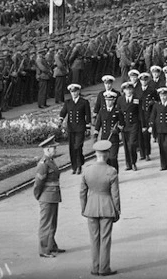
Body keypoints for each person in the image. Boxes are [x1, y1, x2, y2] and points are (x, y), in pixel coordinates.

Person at [80, 140, 121, 277]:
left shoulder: (86, 170)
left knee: (94, 239)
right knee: (105, 239)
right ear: (107, 154)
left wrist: (83, 208)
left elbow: (82, 192)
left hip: (91, 207)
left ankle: (95, 266)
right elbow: (115, 194)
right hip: (106, 207)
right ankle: (104, 268)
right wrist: (117, 211)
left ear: (96, 154)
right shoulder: (111, 171)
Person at [33, 135, 65, 258]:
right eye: (53, 148)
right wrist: (38, 195)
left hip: (53, 196)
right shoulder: (43, 164)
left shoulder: (50, 161)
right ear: (47, 149)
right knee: (46, 224)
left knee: (52, 223)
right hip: (46, 196)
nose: (55, 150)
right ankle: (44, 250)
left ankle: (51, 246)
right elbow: (38, 183)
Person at [58, 84, 91, 175]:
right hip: (71, 128)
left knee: (78, 146)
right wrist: (60, 120)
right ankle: (74, 166)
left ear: (79, 91)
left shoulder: (84, 102)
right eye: (72, 92)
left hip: (80, 128)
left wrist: (88, 127)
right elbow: (63, 112)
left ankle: (79, 165)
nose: (74, 93)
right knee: (72, 148)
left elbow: (87, 115)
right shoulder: (68, 102)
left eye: (75, 91)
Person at [93, 91, 122, 172]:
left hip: (114, 139)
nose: (108, 102)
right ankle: (108, 175)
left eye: (110, 100)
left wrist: (117, 130)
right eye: (107, 100)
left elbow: (122, 124)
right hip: (105, 138)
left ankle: (115, 173)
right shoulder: (102, 111)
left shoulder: (117, 111)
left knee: (113, 157)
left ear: (113, 100)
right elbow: (98, 124)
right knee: (106, 159)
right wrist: (95, 134)